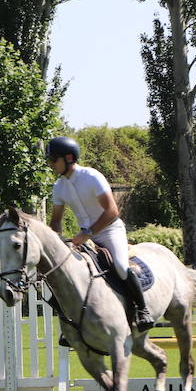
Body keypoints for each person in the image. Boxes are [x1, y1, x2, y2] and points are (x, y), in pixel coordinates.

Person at [45, 136, 155, 331]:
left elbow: (112, 212)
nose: (51, 164)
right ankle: (71, 323)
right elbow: (56, 221)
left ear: (69, 158)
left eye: (54, 160)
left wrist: (86, 233)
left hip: (110, 230)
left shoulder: (91, 176)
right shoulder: (59, 187)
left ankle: (142, 309)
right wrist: (56, 243)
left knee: (120, 267)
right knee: (65, 270)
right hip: (86, 236)